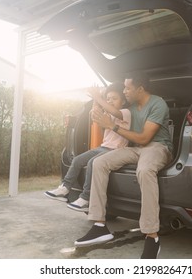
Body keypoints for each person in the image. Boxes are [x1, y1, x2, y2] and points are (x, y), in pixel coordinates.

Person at [74, 71, 173, 259]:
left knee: (144, 170)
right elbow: (113, 112)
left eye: (128, 87)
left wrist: (112, 126)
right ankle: (99, 225)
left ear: (140, 89)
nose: (124, 91)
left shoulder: (157, 104)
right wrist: (96, 98)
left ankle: (152, 236)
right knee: (99, 162)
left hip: (157, 147)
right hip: (136, 148)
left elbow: (145, 137)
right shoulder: (132, 107)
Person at [44, 83, 131, 212]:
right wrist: (96, 99)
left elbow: (114, 112)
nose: (110, 101)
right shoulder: (109, 113)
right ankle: (65, 189)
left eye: (114, 98)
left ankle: (86, 198)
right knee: (77, 160)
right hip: (104, 147)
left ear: (123, 101)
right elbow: (93, 115)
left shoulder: (125, 112)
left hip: (116, 151)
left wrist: (99, 97)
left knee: (92, 163)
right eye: (108, 99)